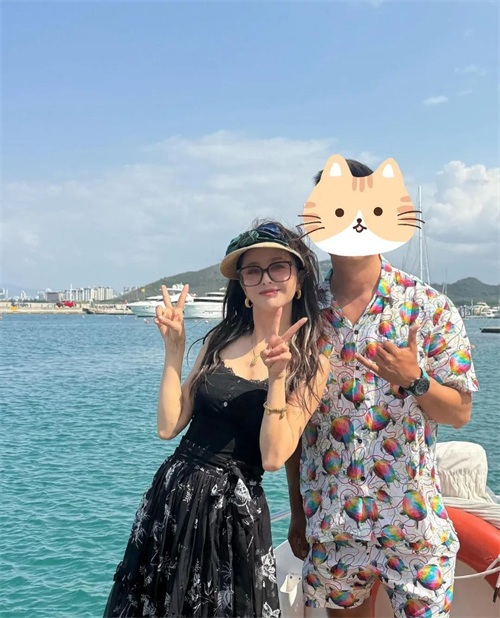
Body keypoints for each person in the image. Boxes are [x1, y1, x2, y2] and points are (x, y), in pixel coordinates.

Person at [103, 221, 330, 618]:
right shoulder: (220, 338)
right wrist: (173, 352)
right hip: (174, 495)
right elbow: (168, 426)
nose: (266, 279)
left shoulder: (312, 363)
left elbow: (273, 456)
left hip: (231, 513)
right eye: (253, 271)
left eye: (278, 267)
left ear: (298, 278)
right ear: (243, 286)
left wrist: (278, 379)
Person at [285, 160, 479, 618]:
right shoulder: (302, 315)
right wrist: (296, 511)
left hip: (413, 524)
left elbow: (459, 413)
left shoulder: (429, 307)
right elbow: (292, 424)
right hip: (333, 523)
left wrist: (416, 381)